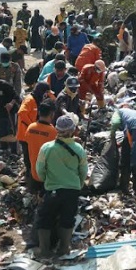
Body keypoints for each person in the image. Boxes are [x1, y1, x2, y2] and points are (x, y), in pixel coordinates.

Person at [35, 115, 88, 257]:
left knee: (45, 218)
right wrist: (77, 184)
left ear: (56, 130)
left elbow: (40, 171)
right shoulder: (78, 149)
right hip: (72, 191)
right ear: (73, 131)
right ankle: (64, 249)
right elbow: (83, 172)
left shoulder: (46, 148)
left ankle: (44, 251)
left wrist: (48, 181)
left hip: (52, 189)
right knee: (67, 218)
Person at [24, 100, 57, 194]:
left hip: (33, 173)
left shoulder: (30, 128)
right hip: (47, 176)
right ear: (51, 114)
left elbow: (27, 145)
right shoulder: (53, 132)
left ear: (39, 112)